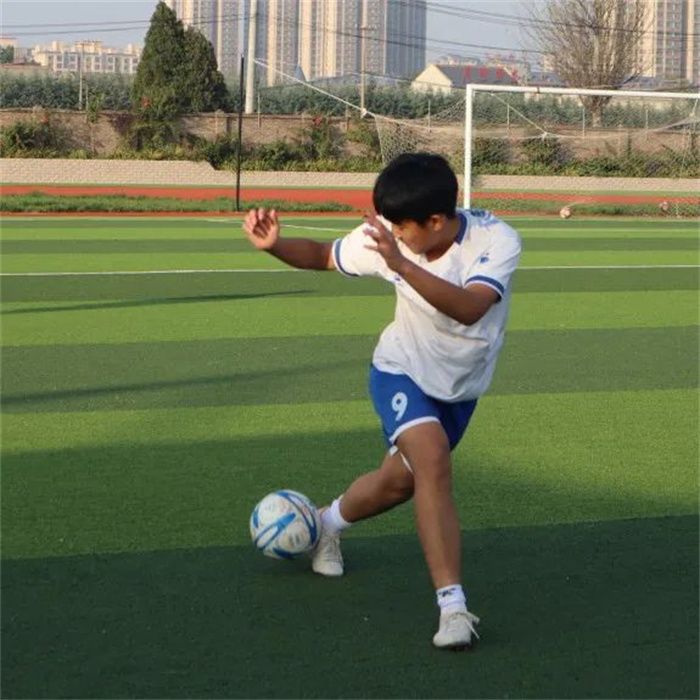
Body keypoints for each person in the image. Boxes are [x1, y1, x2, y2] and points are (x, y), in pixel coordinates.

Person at [242, 153, 522, 650]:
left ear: (435, 221)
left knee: (398, 484)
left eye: (401, 225)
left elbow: (470, 308)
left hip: (460, 389)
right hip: (400, 369)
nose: (391, 232)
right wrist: (276, 246)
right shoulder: (391, 239)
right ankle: (453, 609)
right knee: (431, 460)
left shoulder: (495, 240)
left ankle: (326, 524)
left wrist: (399, 265)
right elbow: (324, 255)